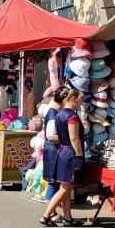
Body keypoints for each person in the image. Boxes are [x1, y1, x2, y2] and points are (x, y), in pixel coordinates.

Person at [39, 87, 86, 226]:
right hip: (70, 154)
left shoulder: (59, 114)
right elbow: (74, 138)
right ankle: (46, 215)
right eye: (80, 101)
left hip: (62, 152)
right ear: (74, 99)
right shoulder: (72, 116)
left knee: (67, 187)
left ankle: (68, 218)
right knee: (65, 187)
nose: (81, 104)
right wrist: (79, 155)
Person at [41, 86, 70, 220]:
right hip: (52, 149)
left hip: (53, 149)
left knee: (54, 182)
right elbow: (51, 135)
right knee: (53, 182)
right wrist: (67, 138)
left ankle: (52, 212)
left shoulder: (55, 111)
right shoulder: (53, 114)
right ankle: (50, 212)